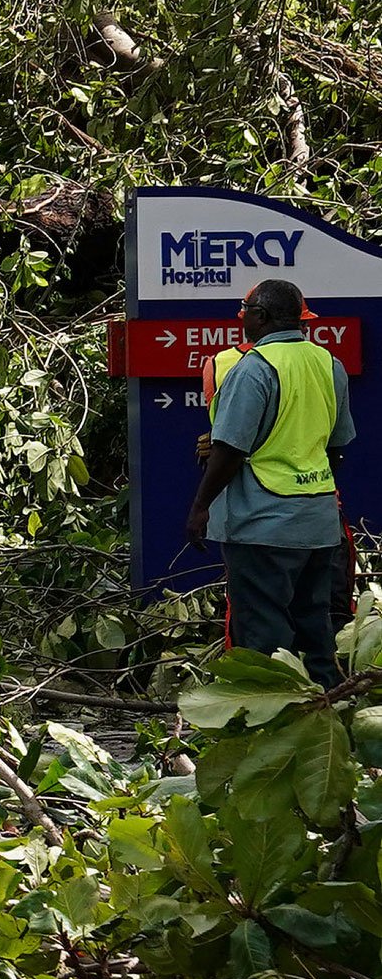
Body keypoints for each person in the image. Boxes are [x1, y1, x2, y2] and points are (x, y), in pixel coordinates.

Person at [189, 276, 354, 686]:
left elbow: (229, 449)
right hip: (317, 522)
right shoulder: (328, 363)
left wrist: (200, 506)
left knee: (263, 636)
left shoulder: (255, 368)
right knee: (315, 629)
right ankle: (325, 719)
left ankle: (270, 727)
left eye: (245, 313)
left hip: (262, 523)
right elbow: (337, 446)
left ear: (259, 316)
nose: (242, 319)